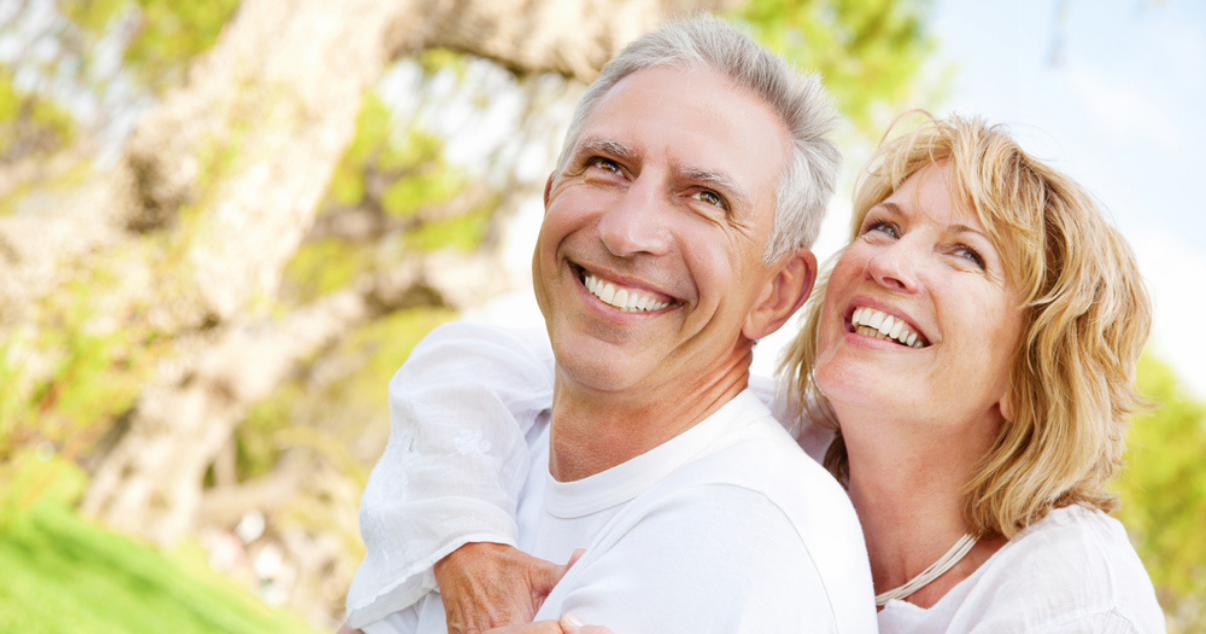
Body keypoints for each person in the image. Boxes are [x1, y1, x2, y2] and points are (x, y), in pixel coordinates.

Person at [349, 113, 1168, 633]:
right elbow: (473, 364)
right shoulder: (792, 437)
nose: (889, 263)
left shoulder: (1072, 597)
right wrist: (467, 545)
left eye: (964, 254)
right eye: (884, 226)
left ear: (1029, 377)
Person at [342, 17, 877, 634]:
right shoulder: (489, 448)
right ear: (550, 198)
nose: (626, 232)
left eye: (706, 198)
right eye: (607, 166)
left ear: (775, 293)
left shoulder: (751, 538)